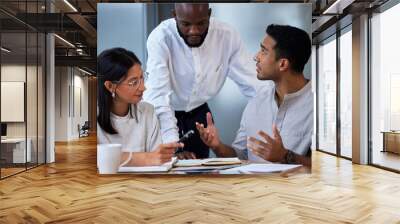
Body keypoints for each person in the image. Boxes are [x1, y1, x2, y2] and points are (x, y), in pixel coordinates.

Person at [144, 3, 260, 159]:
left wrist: (275, 112)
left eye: (201, 23)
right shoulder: (160, 38)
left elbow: (253, 83)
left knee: (200, 170)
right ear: (174, 16)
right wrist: (174, 148)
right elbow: (159, 96)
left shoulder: (227, 35)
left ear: (209, 14)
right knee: (168, 171)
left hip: (199, 113)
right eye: (186, 24)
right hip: (163, 112)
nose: (194, 31)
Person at [196, 24, 312, 166]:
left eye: (263, 51)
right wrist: (217, 146)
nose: (255, 57)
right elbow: (240, 155)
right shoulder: (257, 101)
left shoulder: (318, 105)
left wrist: (285, 156)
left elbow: (330, 167)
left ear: (282, 64)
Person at [97, 48, 183, 167]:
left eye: (142, 78)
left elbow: (156, 160)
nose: (143, 88)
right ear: (110, 86)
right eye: (133, 82)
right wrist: (145, 158)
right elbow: (95, 158)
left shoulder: (148, 111)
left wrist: (164, 154)